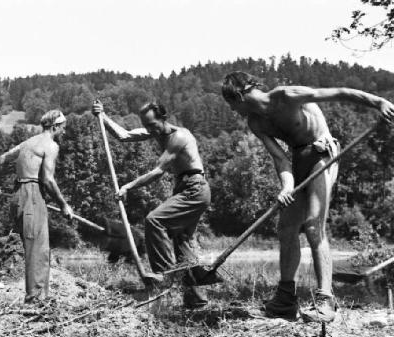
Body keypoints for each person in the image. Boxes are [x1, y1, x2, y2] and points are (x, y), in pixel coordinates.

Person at [221, 71, 394, 322]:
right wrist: (286, 187)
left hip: (323, 153)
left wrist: (378, 102)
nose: (233, 111)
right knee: (286, 228)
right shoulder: (256, 123)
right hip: (298, 161)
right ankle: (285, 299)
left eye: (231, 105)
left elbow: (340, 92)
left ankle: (326, 300)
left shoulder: (286, 95)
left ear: (239, 95)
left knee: (314, 226)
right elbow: (280, 158)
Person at [92, 100, 211, 308]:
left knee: (154, 220)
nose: (150, 130)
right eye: (146, 126)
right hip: (184, 187)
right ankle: (196, 300)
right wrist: (103, 116)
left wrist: (128, 186)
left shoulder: (178, 137)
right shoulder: (157, 132)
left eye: (152, 125)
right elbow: (124, 135)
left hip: (195, 188)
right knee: (182, 241)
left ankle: (166, 276)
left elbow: (158, 171)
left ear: (164, 118)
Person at [0, 109, 73, 303]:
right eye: (62, 128)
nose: (64, 132)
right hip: (33, 195)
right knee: (39, 249)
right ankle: (35, 300)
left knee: (31, 246)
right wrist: (64, 205)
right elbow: (48, 180)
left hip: (17, 195)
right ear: (55, 127)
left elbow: (1, 159)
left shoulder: (27, 143)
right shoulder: (51, 146)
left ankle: (36, 297)